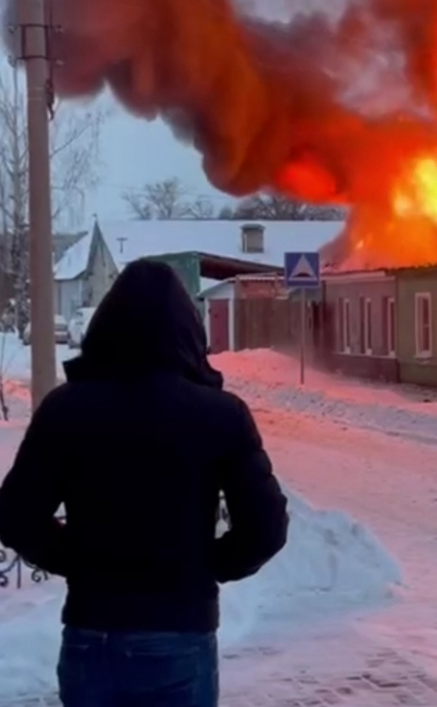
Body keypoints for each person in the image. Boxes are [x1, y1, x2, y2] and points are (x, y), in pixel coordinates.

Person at [0, 259, 289, 707]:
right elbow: (266, 529)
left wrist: (78, 560)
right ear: (189, 333)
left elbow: (16, 516)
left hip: (91, 634)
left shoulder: (66, 409)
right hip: (179, 635)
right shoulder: (221, 414)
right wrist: (205, 567)